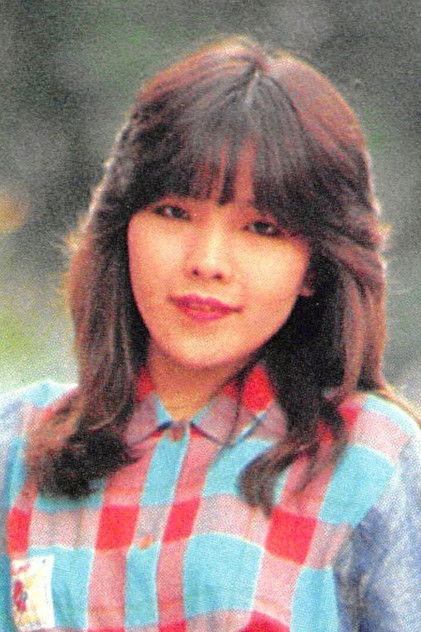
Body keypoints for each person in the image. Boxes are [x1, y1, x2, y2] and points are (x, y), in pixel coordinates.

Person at [1, 35, 420, 632]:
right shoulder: (18, 446)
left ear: (315, 266)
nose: (208, 261)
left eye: (262, 228)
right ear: (123, 229)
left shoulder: (368, 458)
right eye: (174, 212)